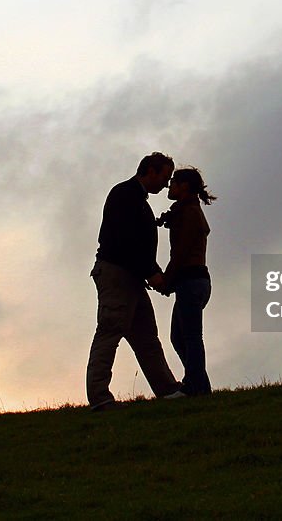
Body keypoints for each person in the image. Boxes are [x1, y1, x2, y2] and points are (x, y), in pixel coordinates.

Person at [86, 152, 184, 411]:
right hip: (117, 274)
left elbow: (136, 245)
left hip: (132, 278)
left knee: (147, 338)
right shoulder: (125, 194)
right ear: (150, 170)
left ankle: (167, 389)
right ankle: (99, 398)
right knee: (110, 332)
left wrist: (151, 272)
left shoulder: (137, 199)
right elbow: (126, 241)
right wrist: (152, 272)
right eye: (164, 176)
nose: (165, 184)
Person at [153, 167, 216, 396]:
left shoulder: (189, 213)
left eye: (174, 183)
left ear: (184, 187)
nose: (169, 187)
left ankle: (195, 386)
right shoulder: (185, 211)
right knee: (180, 336)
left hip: (190, 281)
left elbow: (180, 253)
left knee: (189, 336)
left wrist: (166, 281)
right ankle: (199, 384)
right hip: (192, 281)